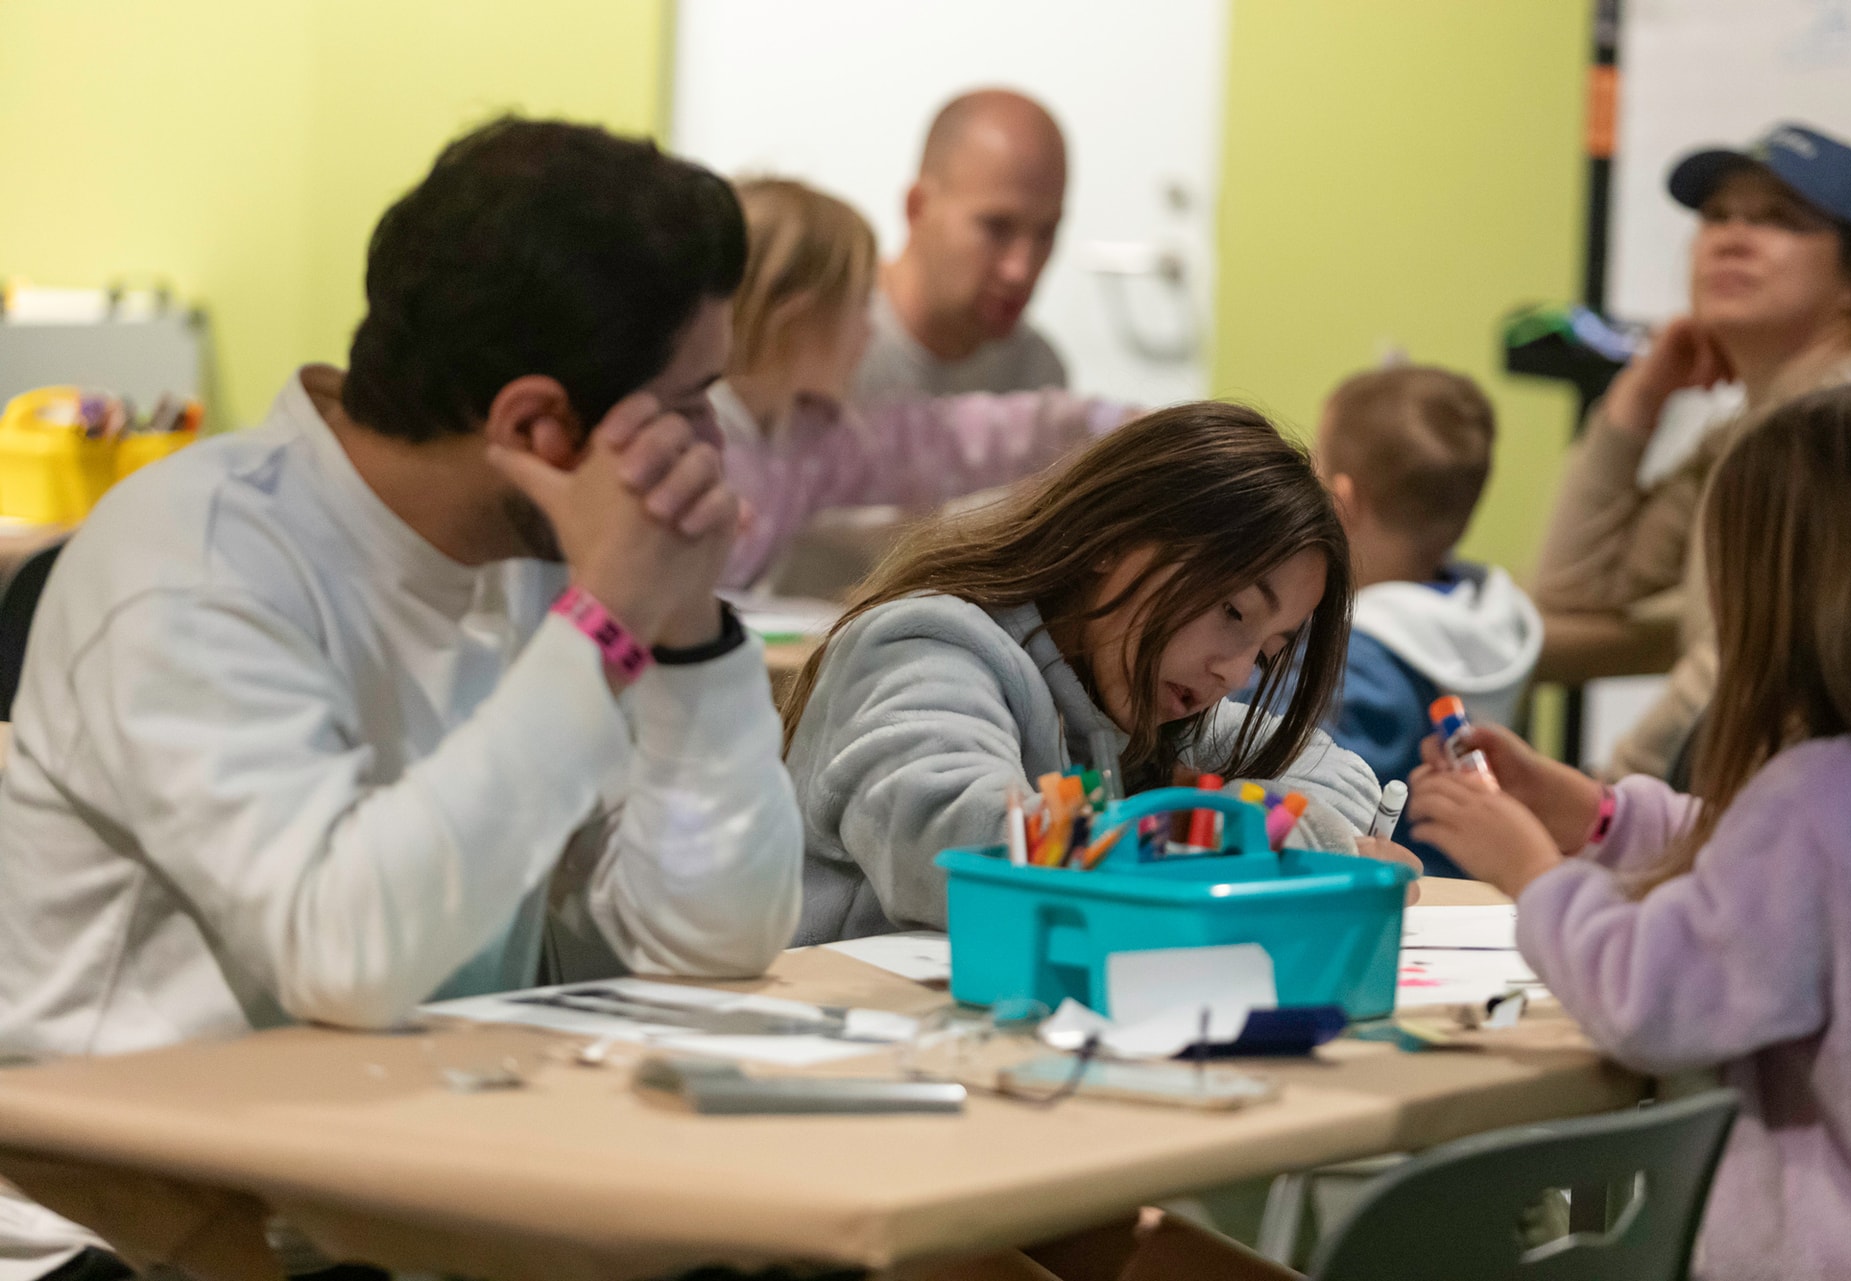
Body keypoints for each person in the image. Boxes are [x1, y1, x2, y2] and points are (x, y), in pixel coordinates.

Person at [0, 119, 802, 1279]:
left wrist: (684, 631)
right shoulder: (193, 563)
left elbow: (710, 945)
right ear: (537, 427)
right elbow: (348, 957)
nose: (712, 448)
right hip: (130, 1235)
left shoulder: (555, 553)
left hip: (413, 1192)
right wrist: (603, 627)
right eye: (689, 402)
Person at [1409, 385, 1851, 1279]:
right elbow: (1765, 878)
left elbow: (1648, 999)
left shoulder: (1820, 796)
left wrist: (1531, 871)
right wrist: (1600, 817)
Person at [783, 402, 1414, 946]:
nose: (1235, 671)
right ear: (1115, 539)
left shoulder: (1141, 704)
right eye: (1232, 612)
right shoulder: (924, 647)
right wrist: (1236, 835)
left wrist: (1267, 835)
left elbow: (1337, 779)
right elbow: (975, 846)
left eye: (1268, 651)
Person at [1535, 121, 1851, 780]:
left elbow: (1747, 662)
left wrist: (1607, 800)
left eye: (1778, 219)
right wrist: (1638, 400)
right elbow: (1576, 587)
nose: (1732, 237)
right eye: (1717, 216)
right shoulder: (1751, 429)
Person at [715, 177, 1132, 589]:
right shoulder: (696, 433)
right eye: (859, 304)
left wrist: (1098, 420)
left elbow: (945, 440)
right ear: (798, 322)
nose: (870, 330)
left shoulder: (814, 438)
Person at [1313, 366, 1542, 876]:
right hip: (1472, 890)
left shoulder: (1355, 661)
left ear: (1342, 502)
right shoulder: (1490, 623)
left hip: (1388, 895)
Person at [853, 89, 1070, 401]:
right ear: (918, 208)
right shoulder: (823, 356)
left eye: (1046, 232)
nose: (1020, 270)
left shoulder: (1037, 376)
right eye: (997, 228)